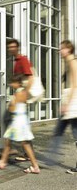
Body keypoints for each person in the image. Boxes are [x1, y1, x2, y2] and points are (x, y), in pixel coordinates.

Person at [0, 74, 40, 174]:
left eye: (12, 82)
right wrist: (31, 77)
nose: (11, 84)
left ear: (17, 83)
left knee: (25, 144)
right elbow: (29, 84)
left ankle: (35, 166)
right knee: (9, 141)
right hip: (22, 120)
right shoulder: (25, 91)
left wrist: (11, 104)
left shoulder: (18, 94)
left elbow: (12, 108)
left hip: (18, 121)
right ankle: (3, 161)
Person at [46, 40, 77, 174]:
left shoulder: (72, 62)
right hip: (71, 104)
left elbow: (75, 85)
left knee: (71, 133)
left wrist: (67, 104)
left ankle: (50, 159)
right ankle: (50, 158)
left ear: (68, 49)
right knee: (60, 130)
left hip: (72, 104)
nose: (59, 51)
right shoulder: (70, 62)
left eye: (61, 49)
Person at [6, 39, 34, 161]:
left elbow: (30, 77)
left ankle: (23, 152)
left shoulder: (22, 59)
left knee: (20, 125)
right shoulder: (15, 61)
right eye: (9, 47)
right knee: (20, 125)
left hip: (21, 97)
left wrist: (24, 96)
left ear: (17, 47)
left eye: (13, 46)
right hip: (19, 96)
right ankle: (16, 150)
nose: (11, 49)